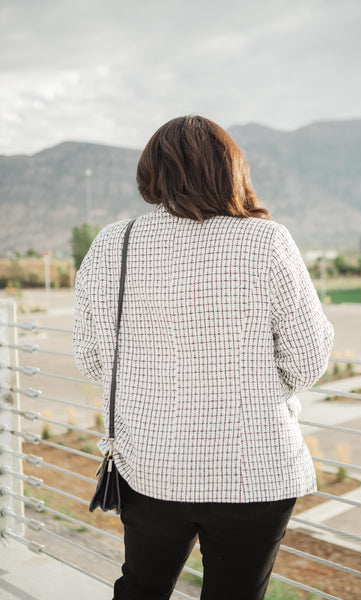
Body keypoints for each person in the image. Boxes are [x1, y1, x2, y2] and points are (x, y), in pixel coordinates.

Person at [73, 115, 334, 600]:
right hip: (252, 467)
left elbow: (91, 357)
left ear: (152, 172)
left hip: (148, 464)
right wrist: (249, 381)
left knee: (141, 587)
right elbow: (308, 359)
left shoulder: (114, 244)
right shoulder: (267, 242)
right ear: (232, 170)